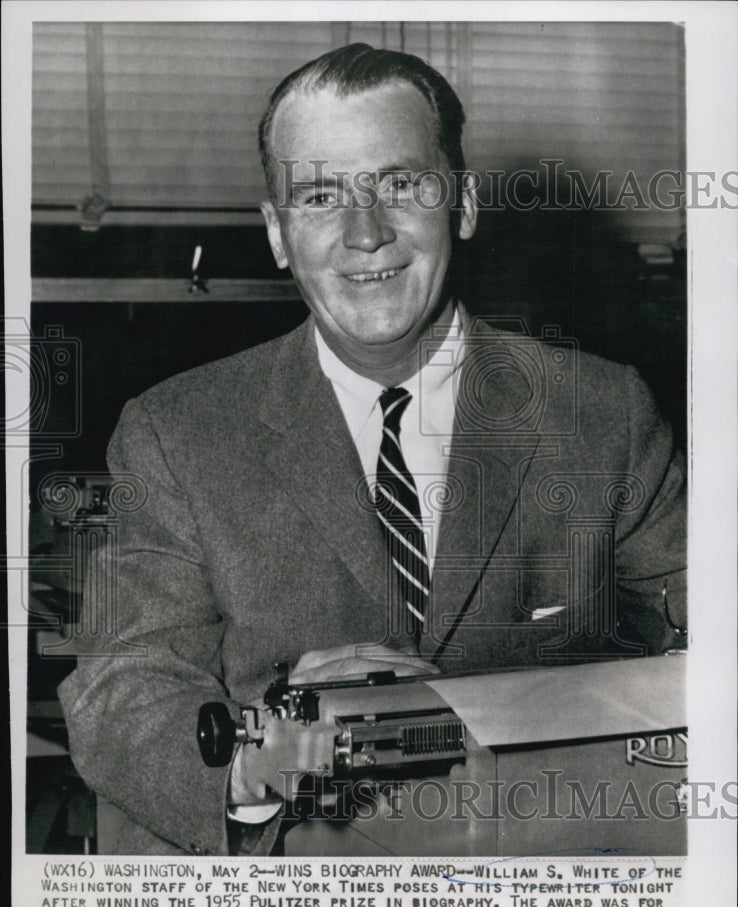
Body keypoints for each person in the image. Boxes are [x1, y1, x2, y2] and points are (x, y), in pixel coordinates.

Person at [59, 44, 686, 856]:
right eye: (320, 196)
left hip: (545, 887)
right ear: (278, 233)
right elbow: (122, 684)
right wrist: (263, 754)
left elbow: (703, 645)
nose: (366, 233)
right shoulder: (175, 433)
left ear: (460, 205)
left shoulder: (605, 412)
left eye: (399, 184)